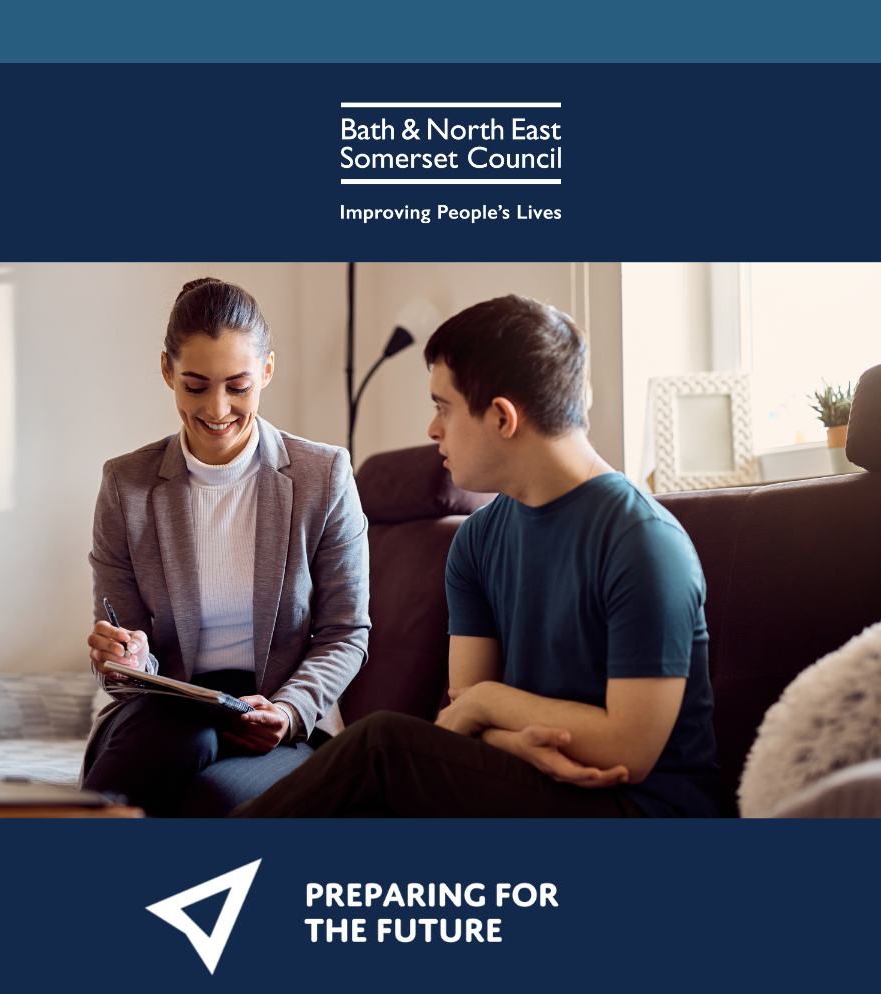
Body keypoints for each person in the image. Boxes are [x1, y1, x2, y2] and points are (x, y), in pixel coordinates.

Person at [239, 295, 722, 818]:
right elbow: (461, 718)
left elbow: (628, 749)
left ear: (501, 417)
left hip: (640, 809)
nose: (433, 429)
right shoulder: (476, 540)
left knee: (381, 748)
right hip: (530, 779)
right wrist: (506, 736)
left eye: (442, 407)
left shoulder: (643, 543)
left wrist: (491, 705)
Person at [80, 278, 370, 816]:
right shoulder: (126, 485)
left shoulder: (323, 477)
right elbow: (120, 644)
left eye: (238, 385)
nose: (218, 409)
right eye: (195, 386)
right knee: (181, 738)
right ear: (166, 370)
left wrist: (288, 711)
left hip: (281, 722)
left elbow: (345, 633)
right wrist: (128, 656)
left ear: (267, 370)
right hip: (160, 718)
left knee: (216, 797)